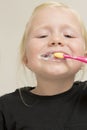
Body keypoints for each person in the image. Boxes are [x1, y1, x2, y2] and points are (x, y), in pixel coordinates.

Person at [0, 1, 87, 130]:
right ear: (26, 59)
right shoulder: (5, 108)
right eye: (42, 35)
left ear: (84, 58)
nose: (56, 40)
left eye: (68, 35)